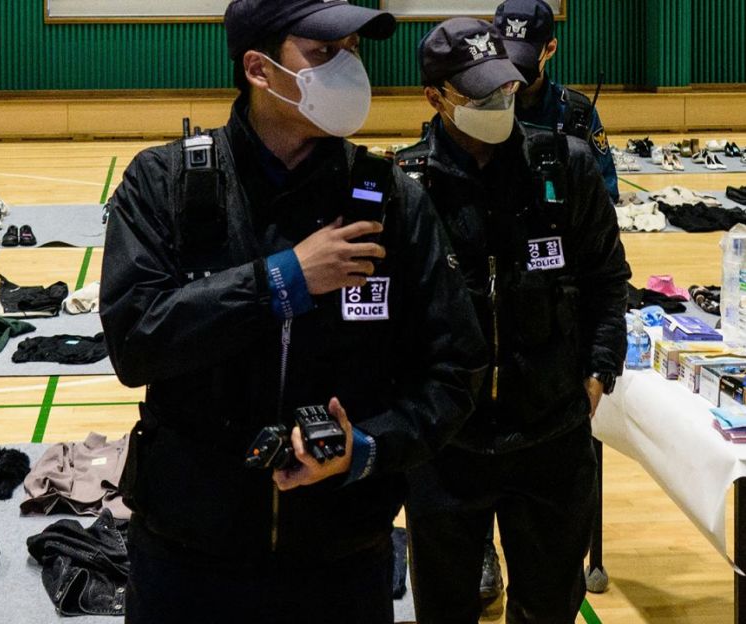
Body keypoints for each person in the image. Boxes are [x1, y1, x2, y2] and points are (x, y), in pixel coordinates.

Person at [99, 1, 487, 621]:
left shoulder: (394, 201)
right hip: (187, 557)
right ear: (259, 68)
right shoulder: (164, 184)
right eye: (326, 52)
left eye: (355, 50)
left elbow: (455, 370)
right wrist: (284, 280)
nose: (350, 68)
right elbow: (136, 340)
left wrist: (368, 447)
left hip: (343, 558)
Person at [396, 18, 630, 623]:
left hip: (551, 440)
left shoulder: (564, 166)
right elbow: (381, 317)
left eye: (502, 88)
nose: (496, 103)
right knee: (446, 609)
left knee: (549, 606)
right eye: (476, 95)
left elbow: (607, 280)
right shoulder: (402, 188)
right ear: (434, 97)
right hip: (447, 450)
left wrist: (599, 371)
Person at [495, 0, 620, 203]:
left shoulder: (576, 111)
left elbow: (606, 193)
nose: (514, 67)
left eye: (523, 57)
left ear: (550, 49)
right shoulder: (479, 107)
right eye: (505, 54)